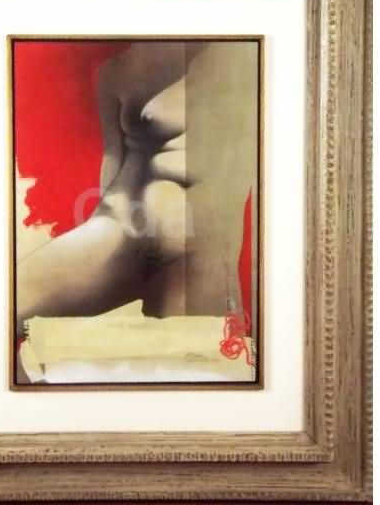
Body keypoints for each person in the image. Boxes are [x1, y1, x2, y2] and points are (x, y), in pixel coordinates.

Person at [16, 41, 258, 344]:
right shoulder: (116, 71)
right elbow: (113, 164)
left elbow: (252, 171)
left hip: (193, 246)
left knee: (191, 360)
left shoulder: (246, 59)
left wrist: (225, 266)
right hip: (120, 230)